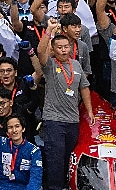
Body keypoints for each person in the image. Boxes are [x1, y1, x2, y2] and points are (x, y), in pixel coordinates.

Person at [36, 29, 93, 190]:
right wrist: (48, 31)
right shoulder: (50, 65)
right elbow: (40, 51)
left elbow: (84, 88)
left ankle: (68, 186)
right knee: (56, 159)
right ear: (53, 49)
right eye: (59, 47)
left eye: (66, 47)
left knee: (69, 158)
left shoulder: (75, 64)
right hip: (54, 120)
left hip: (73, 120)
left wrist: (89, 111)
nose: (63, 50)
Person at [0, 101, 42, 190]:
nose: (14, 130)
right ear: (7, 132)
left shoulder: (34, 151)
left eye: (17, 126)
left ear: (23, 129)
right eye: (10, 127)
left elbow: (35, 179)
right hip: (2, 187)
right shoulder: (1, 144)